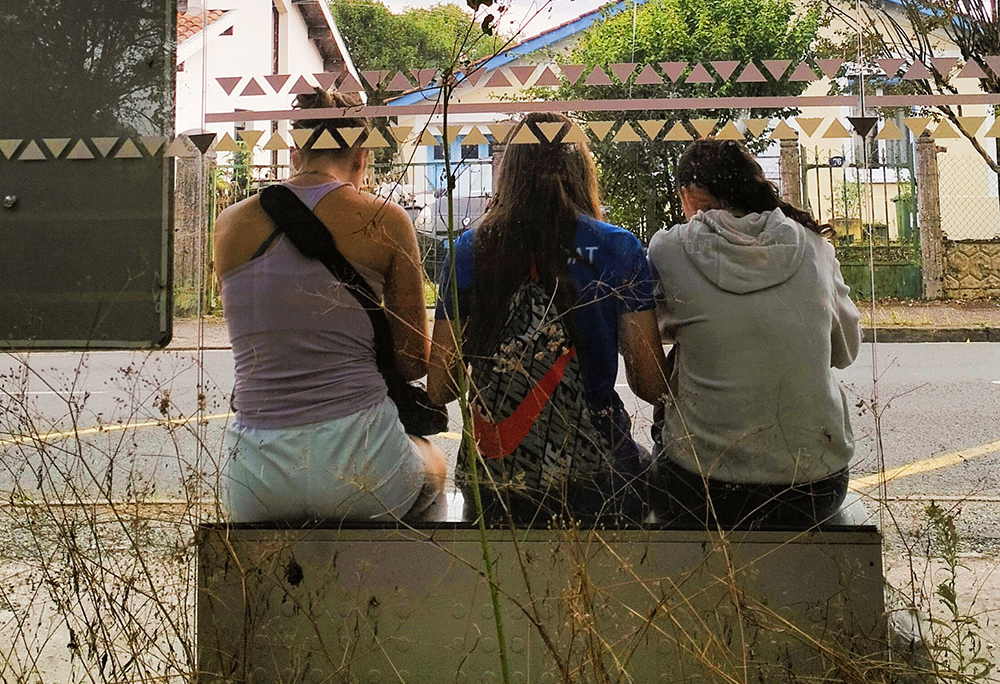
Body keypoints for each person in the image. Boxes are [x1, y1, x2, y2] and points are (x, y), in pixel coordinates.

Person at [214, 88, 446, 523]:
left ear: (295, 153)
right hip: (364, 467)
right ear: (361, 158)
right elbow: (414, 361)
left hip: (253, 475)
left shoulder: (228, 225)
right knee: (434, 463)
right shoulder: (385, 219)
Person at [428, 112, 670, 524]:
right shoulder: (617, 248)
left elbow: (439, 387)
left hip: (497, 480)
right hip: (597, 475)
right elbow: (649, 385)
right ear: (581, 170)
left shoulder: (470, 249)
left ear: (510, 171)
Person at [647, 138, 861, 529]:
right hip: (816, 487)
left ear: (688, 195)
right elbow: (846, 352)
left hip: (702, 488)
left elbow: (654, 338)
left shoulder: (669, 249)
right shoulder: (815, 246)